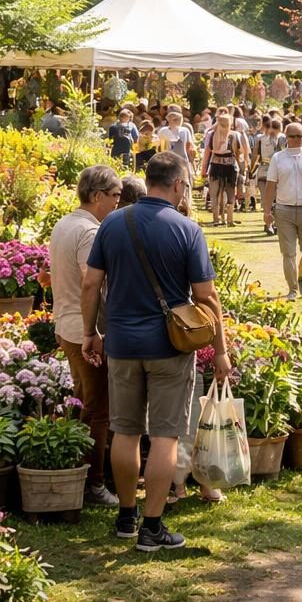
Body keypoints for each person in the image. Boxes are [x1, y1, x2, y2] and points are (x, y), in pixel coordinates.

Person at [81, 152, 231, 552]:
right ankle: (152, 526)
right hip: (169, 346)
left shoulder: (111, 223)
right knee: (164, 435)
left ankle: (126, 516)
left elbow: (91, 285)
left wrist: (90, 332)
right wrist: (219, 351)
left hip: (122, 344)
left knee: (125, 431)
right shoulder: (187, 229)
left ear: (148, 181)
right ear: (179, 185)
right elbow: (206, 297)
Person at [49, 165, 124, 508]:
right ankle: (92, 483)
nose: (118, 203)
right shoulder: (90, 233)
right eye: (115, 196)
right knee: (98, 410)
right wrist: (95, 331)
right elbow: (90, 281)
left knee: (83, 402)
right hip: (84, 330)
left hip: (67, 326)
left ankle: (73, 473)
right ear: (98, 196)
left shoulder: (65, 224)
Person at [263, 122, 302, 301]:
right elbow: (270, 186)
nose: (297, 139)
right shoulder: (278, 158)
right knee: (288, 253)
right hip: (284, 211)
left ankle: (301, 279)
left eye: (300, 136)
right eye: (293, 136)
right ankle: (292, 289)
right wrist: (267, 211)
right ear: (286, 138)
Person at [201, 112, 245, 227]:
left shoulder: (211, 134)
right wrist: (242, 169)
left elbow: (207, 154)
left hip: (215, 165)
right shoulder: (235, 135)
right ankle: (229, 219)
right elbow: (239, 153)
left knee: (214, 193)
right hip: (231, 166)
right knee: (230, 192)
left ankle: (216, 219)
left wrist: (203, 169)